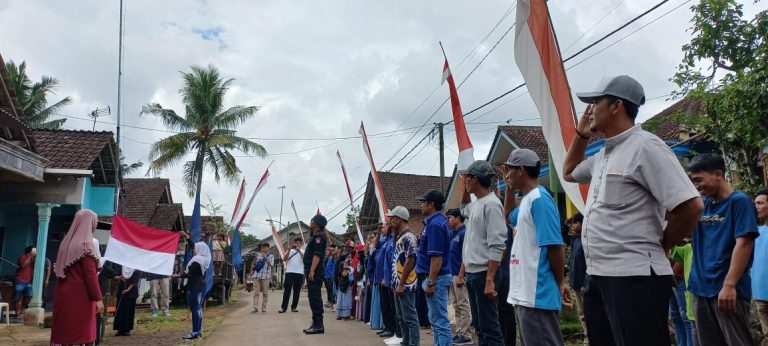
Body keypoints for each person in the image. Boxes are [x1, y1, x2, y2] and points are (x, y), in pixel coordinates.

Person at [563, 75, 703, 345]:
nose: (589, 110)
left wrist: (663, 244)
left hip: (634, 277)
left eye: (595, 102)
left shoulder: (646, 146)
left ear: (616, 106)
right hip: (599, 274)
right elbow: (569, 173)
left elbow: (690, 206)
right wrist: (581, 136)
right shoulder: (604, 154)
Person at [686, 153, 758, 346]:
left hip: (726, 289)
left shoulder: (739, 202)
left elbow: (744, 243)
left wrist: (730, 285)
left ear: (718, 174)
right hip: (701, 289)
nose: (696, 186)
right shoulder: (703, 205)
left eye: (698, 180)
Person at [502, 149, 569, 346]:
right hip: (525, 295)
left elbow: (555, 247)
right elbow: (508, 216)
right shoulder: (527, 201)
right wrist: (508, 188)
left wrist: (560, 283)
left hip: (536, 293)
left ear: (521, 170)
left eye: (510, 170)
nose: (507, 174)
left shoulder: (540, 199)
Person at [460, 160, 506, 345]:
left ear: (476, 179)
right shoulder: (477, 204)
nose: (465, 182)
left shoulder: (492, 205)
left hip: (484, 274)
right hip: (474, 274)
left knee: (490, 328)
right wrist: (464, 188)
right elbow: (463, 208)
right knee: (479, 326)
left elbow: (498, 245)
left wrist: (490, 279)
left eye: (467, 178)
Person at [50, 209, 104, 346]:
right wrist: (98, 298)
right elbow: (90, 275)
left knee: (65, 331)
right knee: (80, 333)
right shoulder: (86, 245)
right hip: (80, 296)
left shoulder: (65, 244)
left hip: (62, 294)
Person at [416, 189, 453, 346]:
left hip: (435, 279)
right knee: (436, 321)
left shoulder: (435, 224)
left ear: (431, 204)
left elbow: (436, 258)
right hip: (435, 278)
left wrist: (431, 282)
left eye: (424, 202)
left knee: (440, 322)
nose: (422, 205)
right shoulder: (436, 222)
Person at [173, 232, 211, 340]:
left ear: (200, 250)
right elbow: (193, 245)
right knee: (197, 308)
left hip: (195, 286)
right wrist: (186, 236)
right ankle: (198, 331)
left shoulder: (197, 260)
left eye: (196, 248)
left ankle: (195, 332)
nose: (194, 249)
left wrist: (178, 276)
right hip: (200, 285)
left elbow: (191, 274)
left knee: (195, 309)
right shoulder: (204, 259)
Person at [389, 206, 418, 346]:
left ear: (399, 219)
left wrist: (400, 284)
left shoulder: (409, 236)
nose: (390, 221)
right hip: (399, 284)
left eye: (392, 218)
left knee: (410, 318)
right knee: (402, 317)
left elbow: (410, 260)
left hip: (406, 284)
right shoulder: (400, 236)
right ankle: (406, 342)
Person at [446, 208, 473, 345]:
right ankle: (459, 332)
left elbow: (465, 255)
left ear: (458, 218)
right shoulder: (453, 233)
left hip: (459, 273)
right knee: (456, 305)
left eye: (450, 218)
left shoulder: (464, 233)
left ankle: (467, 334)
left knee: (463, 304)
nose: (449, 220)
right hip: (452, 273)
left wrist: (461, 274)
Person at [303, 214, 328, 335]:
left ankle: (319, 325)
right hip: (311, 270)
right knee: (312, 297)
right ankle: (315, 323)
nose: (310, 222)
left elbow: (317, 255)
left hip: (315, 271)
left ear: (317, 223)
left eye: (312, 220)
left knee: (315, 297)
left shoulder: (319, 236)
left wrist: (312, 271)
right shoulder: (315, 236)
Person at [377, 224, 401, 340]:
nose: (382, 228)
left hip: (388, 279)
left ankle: (394, 330)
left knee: (392, 306)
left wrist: (387, 278)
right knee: (385, 305)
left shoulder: (393, 240)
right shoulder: (386, 240)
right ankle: (388, 327)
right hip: (383, 278)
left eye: (384, 226)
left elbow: (391, 260)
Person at [670, 239, 695, 346]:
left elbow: (685, 249)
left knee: (686, 317)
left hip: (680, 279)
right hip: (669, 278)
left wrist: (673, 272)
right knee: (675, 316)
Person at [568, 213, 589, 345]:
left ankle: (591, 339)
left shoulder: (586, 240)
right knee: (582, 314)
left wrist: (585, 282)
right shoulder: (574, 239)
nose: (573, 225)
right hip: (576, 283)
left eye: (576, 223)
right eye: (573, 223)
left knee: (589, 314)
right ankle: (587, 339)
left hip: (584, 283)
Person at [753, 190, 768, 342]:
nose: (756, 207)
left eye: (760, 203)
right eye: (755, 204)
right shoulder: (755, 232)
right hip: (759, 293)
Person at [113, 266, 139, 336]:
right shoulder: (122, 267)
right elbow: (115, 276)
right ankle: (119, 329)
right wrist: (120, 277)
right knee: (120, 310)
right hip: (121, 291)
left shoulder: (136, 268)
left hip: (131, 292)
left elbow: (135, 281)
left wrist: (128, 289)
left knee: (129, 310)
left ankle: (127, 329)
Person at [280, 237, 305, 313]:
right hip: (289, 272)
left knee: (297, 291)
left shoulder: (303, 251)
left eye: (298, 243)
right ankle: (284, 308)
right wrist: (290, 249)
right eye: (295, 242)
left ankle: (294, 307)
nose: (296, 244)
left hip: (299, 273)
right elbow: (284, 259)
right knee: (287, 291)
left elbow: (305, 259)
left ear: (301, 244)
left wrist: (299, 251)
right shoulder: (289, 250)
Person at [249, 242, 274, 314]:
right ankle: (255, 308)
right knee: (256, 293)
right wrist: (255, 258)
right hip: (257, 276)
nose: (263, 249)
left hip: (266, 277)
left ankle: (264, 308)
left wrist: (265, 257)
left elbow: (271, 265)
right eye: (262, 248)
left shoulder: (271, 256)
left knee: (265, 293)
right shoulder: (259, 256)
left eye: (264, 248)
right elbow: (254, 265)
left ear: (268, 248)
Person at [367, 232, 383, 330]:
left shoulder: (383, 246)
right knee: (375, 301)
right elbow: (369, 257)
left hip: (381, 278)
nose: (371, 240)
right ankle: (375, 322)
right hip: (375, 277)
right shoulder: (374, 250)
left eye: (373, 238)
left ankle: (384, 325)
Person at [15, 245, 36, 317]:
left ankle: (22, 309)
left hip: (28, 281)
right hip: (20, 280)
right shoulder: (22, 257)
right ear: (29, 252)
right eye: (33, 251)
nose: (35, 252)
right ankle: (17, 313)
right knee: (17, 297)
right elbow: (23, 265)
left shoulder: (33, 259)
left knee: (29, 295)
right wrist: (30, 257)